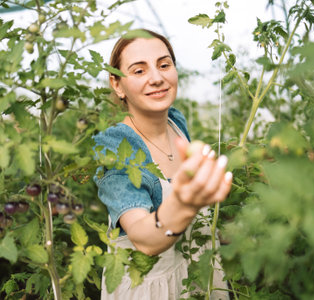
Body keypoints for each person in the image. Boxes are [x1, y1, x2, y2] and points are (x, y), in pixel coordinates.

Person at [93, 29, 233, 300]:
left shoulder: (175, 122)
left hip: (200, 274)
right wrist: (185, 203)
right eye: (139, 71)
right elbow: (144, 239)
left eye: (164, 65)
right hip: (151, 287)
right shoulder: (113, 146)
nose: (157, 78)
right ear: (117, 84)